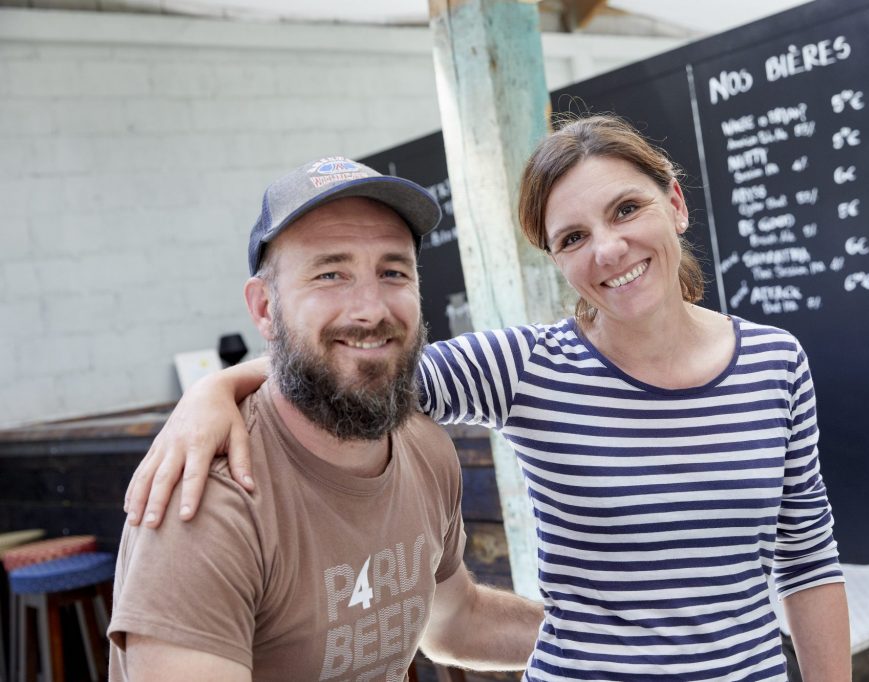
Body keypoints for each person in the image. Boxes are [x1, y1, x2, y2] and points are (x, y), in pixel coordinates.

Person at [126, 116, 852, 681]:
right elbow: (357, 370)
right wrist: (219, 388)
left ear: (676, 205)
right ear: (557, 259)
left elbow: (808, 560)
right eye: (572, 236)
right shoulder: (525, 367)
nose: (608, 250)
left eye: (627, 209)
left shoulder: (774, 362)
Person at [108, 156, 543, 681]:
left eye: (392, 271)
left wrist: (621, 644)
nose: (370, 309)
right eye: (330, 273)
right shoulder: (207, 506)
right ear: (265, 309)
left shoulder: (423, 447)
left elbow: (456, 622)